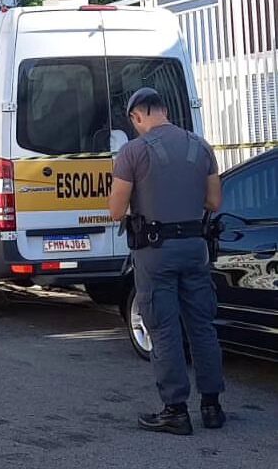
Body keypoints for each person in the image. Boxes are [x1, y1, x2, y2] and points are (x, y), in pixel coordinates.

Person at [109, 88, 225, 436]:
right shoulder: (202, 147)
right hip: (195, 248)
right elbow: (214, 202)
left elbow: (116, 210)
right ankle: (212, 406)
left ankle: (175, 410)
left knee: (164, 328)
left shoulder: (132, 151)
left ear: (137, 116)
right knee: (202, 326)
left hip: (155, 253)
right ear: (165, 109)